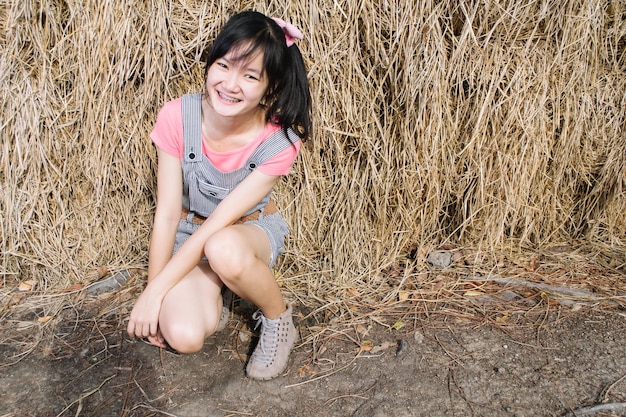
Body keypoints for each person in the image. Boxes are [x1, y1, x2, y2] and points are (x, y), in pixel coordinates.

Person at [126, 10, 312, 381]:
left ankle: (279, 320)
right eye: (224, 66)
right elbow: (166, 213)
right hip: (190, 235)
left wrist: (155, 293)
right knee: (183, 336)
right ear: (210, 64)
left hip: (246, 234)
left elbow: (217, 226)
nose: (230, 84)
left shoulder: (279, 142)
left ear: (270, 87)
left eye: (249, 75)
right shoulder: (177, 116)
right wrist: (154, 293)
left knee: (223, 247)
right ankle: (220, 291)